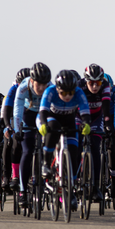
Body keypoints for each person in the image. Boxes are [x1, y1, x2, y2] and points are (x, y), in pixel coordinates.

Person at [39, 70, 91, 210]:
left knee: (74, 154)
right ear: (58, 89)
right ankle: (46, 162)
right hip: (51, 117)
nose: (67, 96)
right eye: (63, 93)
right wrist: (44, 125)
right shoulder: (50, 91)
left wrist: (86, 124)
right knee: (53, 127)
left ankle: (71, 192)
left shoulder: (79, 92)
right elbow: (42, 111)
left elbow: (85, 113)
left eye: (70, 93)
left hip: (69, 120)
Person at [13, 62, 52, 206]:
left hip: (43, 113)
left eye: (44, 84)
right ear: (31, 81)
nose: (41, 88)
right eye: (38, 84)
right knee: (27, 150)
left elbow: (54, 109)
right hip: (27, 114)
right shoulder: (23, 87)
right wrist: (17, 130)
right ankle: (23, 190)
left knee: (49, 142)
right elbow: (17, 110)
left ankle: (45, 178)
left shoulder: (50, 87)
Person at [78, 64, 114, 201]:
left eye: (97, 83)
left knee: (95, 148)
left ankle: (95, 187)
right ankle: (75, 179)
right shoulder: (79, 86)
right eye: (91, 83)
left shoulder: (105, 86)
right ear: (86, 81)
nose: (94, 87)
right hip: (79, 116)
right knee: (75, 145)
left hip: (97, 118)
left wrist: (108, 124)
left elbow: (106, 106)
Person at [1, 67, 30, 190]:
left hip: (29, 116)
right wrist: (8, 127)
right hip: (14, 117)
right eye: (20, 83)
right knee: (12, 142)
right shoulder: (13, 90)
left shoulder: (34, 88)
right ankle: (11, 175)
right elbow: (6, 111)